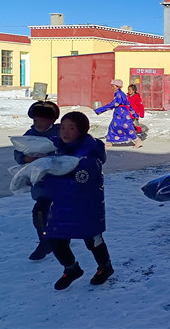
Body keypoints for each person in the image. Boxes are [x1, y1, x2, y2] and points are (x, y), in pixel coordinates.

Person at [40, 111, 114, 290]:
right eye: (63, 127)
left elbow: (76, 184)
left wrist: (45, 178)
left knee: (92, 240)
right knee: (55, 238)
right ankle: (71, 269)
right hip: (62, 207)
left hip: (86, 208)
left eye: (71, 128)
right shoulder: (59, 149)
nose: (65, 132)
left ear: (81, 131)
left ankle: (105, 267)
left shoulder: (89, 157)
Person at [14, 100, 61, 260]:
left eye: (42, 121)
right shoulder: (30, 134)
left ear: (52, 120)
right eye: (35, 120)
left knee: (58, 211)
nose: (38, 124)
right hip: (40, 181)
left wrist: (49, 157)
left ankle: (57, 239)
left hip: (59, 179)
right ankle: (45, 240)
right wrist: (25, 158)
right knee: (40, 212)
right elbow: (18, 152)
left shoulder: (60, 132)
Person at [94, 79, 142, 148]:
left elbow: (113, 104)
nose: (112, 88)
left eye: (113, 86)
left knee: (127, 127)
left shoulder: (119, 94)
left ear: (117, 86)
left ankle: (137, 140)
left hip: (122, 114)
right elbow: (128, 105)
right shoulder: (120, 93)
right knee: (113, 127)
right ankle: (109, 142)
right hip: (120, 113)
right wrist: (134, 114)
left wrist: (99, 110)